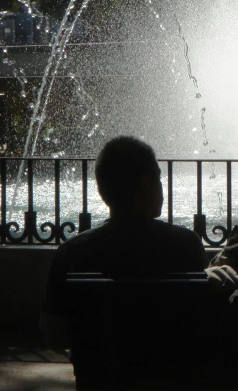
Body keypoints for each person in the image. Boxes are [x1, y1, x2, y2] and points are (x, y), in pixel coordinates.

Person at [41, 136, 209, 348]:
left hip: (100, 376)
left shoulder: (70, 253)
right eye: (158, 179)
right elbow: (204, 321)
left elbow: (54, 337)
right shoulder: (186, 244)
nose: (162, 187)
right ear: (146, 184)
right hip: (168, 376)